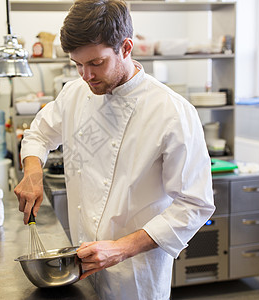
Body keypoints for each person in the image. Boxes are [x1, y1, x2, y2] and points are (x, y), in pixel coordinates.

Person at [14, 0, 215, 299]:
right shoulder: (75, 93)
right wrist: (32, 171)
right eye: (78, 64)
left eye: (96, 63)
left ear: (126, 47)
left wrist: (120, 249)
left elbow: (194, 205)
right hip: (81, 265)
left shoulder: (171, 111)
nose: (86, 75)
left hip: (135, 273)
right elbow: (39, 134)